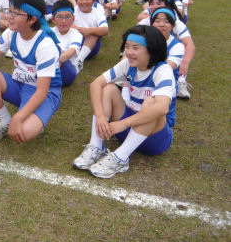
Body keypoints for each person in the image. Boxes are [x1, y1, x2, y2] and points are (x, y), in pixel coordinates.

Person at [73, 25, 174, 178]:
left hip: (154, 139)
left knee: (151, 104)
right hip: (126, 131)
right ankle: (96, 145)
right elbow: (96, 84)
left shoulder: (162, 70)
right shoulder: (128, 64)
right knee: (108, 89)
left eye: (136, 47)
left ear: (152, 49)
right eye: (127, 47)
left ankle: (120, 158)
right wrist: (100, 117)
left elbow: (162, 109)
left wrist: (123, 124)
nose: (129, 52)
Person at [0, 0, 62, 143]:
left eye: (15, 13)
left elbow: (42, 91)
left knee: (23, 132)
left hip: (45, 93)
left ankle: (31, 119)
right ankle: (4, 121)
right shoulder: (11, 32)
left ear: (32, 19)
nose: (9, 16)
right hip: (20, 85)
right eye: (9, 11)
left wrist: (19, 118)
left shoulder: (45, 44)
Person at [73, 0, 109, 71]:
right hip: (73, 44)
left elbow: (105, 30)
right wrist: (79, 29)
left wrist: (89, 30)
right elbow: (66, 24)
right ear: (77, 0)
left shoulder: (97, 13)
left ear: (94, 0)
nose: (84, 2)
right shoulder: (74, 10)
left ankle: (79, 60)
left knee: (93, 32)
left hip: (90, 48)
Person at [51, 0, 82, 86]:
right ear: (53, 19)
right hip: (51, 65)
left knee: (57, 49)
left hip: (68, 71)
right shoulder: (50, 31)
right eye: (60, 17)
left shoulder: (76, 34)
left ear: (73, 18)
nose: (64, 21)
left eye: (68, 17)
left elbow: (64, 57)